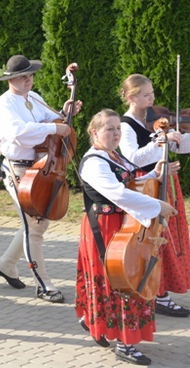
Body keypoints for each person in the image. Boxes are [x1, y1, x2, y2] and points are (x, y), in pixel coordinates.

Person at [77, 109, 177, 365]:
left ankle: (102, 326)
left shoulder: (115, 157)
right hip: (105, 228)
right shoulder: (94, 162)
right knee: (120, 282)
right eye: (109, 129)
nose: (115, 133)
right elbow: (118, 193)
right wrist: (157, 206)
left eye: (117, 129)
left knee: (126, 280)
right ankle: (123, 342)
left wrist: (154, 174)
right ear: (94, 132)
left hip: (124, 227)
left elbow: (133, 182)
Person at [0, 55, 81, 303]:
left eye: (30, 75)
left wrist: (64, 113)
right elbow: (18, 133)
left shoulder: (35, 97)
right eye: (22, 76)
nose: (28, 79)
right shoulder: (4, 104)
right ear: (10, 79)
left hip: (40, 167)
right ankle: (43, 284)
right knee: (35, 227)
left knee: (38, 225)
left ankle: (6, 264)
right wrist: (54, 129)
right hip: (18, 168)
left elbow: (49, 120)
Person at [119, 74, 190, 317]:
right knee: (154, 238)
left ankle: (162, 292)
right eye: (146, 95)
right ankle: (155, 292)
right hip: (146, 188)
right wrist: (162, 141)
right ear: (131, 97)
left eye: (152, 94)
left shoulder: (157, 121)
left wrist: (175, 140)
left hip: (167, 184)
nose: (152, 99)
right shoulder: (125, 125)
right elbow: (133, 158)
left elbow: (177, 145)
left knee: (170, 238)